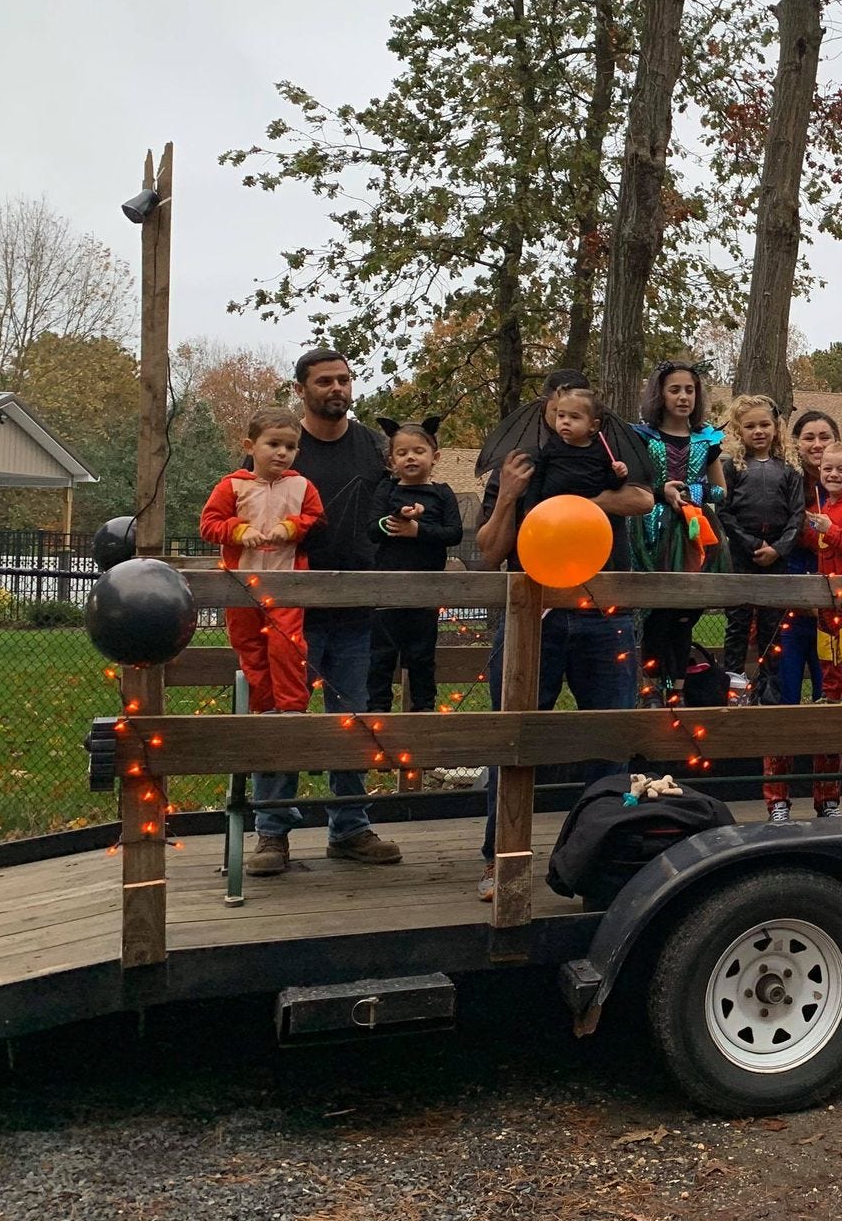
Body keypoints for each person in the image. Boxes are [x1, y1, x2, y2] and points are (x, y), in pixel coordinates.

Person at [473, 375, 656, 900]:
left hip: (605, 614)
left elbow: (642, 500)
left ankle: (603, 856)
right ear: (546, 412)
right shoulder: (521, 466)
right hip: (535, 617)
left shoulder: (607, 459)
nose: (562, 421)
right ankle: (500, 858)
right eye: (555, 412)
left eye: (572, 412)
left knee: (610, 741)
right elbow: (488, 552)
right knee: (514, 738)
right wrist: (509, 495)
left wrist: (587, 501)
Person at [247, 349, 401, 876]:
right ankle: (271, 833)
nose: (337, 388)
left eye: (345, 379)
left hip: (356, 607)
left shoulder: (372, 447)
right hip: (290, 609)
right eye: (325, 381)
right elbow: (251, 507)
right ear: (301, 389)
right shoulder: (286, 446)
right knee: (280, 720)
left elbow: (388, 508)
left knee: (353, 719)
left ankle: (350, 827)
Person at [767, 441, 842, 820]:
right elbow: (822, 541)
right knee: (828, 657)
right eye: (828, 469)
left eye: (841, 471)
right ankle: (833, 692)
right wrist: (813, 530)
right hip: (822, 602)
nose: (832, 475)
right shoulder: (824, 505)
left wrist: (831, 531)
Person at [199, 408, 324, 720]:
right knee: (249, 644)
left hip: (286, 583)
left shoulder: (302, 486)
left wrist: (293, 527)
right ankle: (264, 706)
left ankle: (292, 707)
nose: (282, 453)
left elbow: (317, 519)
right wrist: (239, 531)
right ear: (250, 446)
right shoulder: (232, 486)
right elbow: (209, 524)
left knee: (287, 642)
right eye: (274, 444)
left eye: (290, 447)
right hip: (241, 583)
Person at [632, 362, 728, 687]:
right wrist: (663, 492)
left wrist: (693, 491)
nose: (683, 397)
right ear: (660, 393)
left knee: (686, 610)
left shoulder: (707, 439)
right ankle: (652, 684)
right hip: (654, 529)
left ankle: (680, 684)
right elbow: (636, 488)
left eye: (690, 390)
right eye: (675, 390)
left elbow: (721, 491)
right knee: (657, 609)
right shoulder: (643, 436)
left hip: (694, 530)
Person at [366, 416, 463, 714]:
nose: (410, 457)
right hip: (387, 592)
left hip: (426, 593)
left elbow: (454, 534)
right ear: (391, 460)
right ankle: (378, 717)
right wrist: (398, 518)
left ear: (434, 457)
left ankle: (424, 717)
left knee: (422, 658)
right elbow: (372, 528)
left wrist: (419, 530)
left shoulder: (442, 493)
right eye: (402, 452)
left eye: (418, 451)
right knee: (380, 658)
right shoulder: (387, 489)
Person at [719, 395, 806, 699]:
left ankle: (768, 686)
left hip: (778, 556)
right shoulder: (731, 467)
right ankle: (731, 681)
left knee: (772, 624)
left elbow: (798, 515)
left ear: (776, 428)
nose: (758, 431)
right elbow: (724, 510)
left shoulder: (790, 470)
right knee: (738, 622)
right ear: (739, 431)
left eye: (764, 424)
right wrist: (752, 543)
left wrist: (779, 549)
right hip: (743, 553)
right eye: (750, 426)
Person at [772, 409, 842, 706]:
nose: (817, 444)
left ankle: (827, 753)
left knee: (828, 693)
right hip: (790, 608)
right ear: (796, 444)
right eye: (809, 438)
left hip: (834, 607)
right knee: (784, 691)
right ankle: (782, 753)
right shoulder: (788, 486)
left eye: (825, 437)